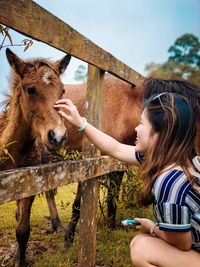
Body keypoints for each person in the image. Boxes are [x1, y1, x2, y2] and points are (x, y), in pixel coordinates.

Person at [54, 80, 200, 267]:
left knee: (141, 249)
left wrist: (152, 227)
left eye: (142, 124)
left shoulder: (169, 183)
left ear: (160, 135)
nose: (136, 129)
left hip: (189, 248)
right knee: (139, 242)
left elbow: (182, 243)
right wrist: (81, 123)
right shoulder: (180, 161)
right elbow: (115, 148)